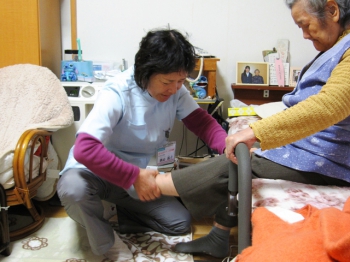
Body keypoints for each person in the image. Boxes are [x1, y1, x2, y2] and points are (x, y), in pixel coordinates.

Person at [153, 0, 350, 258]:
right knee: (239, 157)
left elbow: (330, 105)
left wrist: (257, 131)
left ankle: (154, 185)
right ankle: (218, 233)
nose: (304, 34)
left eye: (305, 25)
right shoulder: (336, 48)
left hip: (326, 158)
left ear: (333, 11)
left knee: (240, 163)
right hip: (311, 144)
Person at [57, 28, 227, 261]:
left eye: (180, 81)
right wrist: (133, 176)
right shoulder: (117, 91)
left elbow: (202, 123)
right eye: (168, 82)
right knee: (74, 189)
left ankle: (112, 212)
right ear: (145, 72)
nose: (175, 89)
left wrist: (227, 146)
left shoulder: (176, 91)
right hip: (97, 172)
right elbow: (85, 149)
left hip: (136, 178)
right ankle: (109, 245)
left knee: (179, 222)